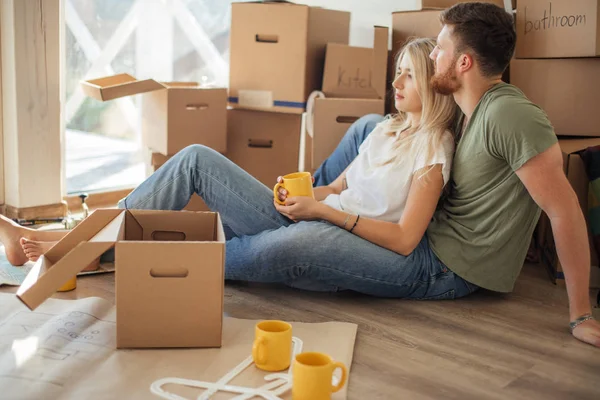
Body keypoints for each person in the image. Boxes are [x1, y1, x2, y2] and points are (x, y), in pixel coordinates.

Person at [1, 36, 470, 300]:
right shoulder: (384, 129)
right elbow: (341, 185)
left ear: (432, 85)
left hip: (339, 239)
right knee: (196, 158)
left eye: (408, 73)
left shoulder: (435, 145)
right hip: (312, 217)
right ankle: (74, 242)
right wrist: (303, 196)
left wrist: (322, 213)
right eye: (398, 71)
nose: (396, 81)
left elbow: (406, 239)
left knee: (219, 237)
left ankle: (68, 246)